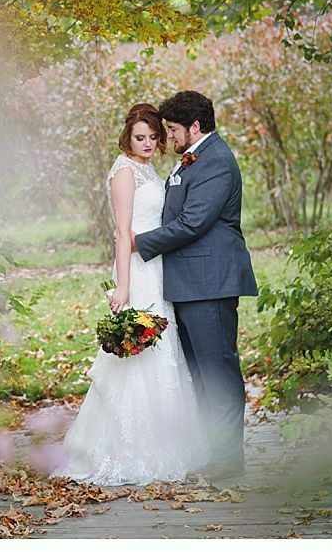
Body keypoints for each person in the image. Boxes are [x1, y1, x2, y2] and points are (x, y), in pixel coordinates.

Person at [49, 103, 207, 486]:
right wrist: (122, 286)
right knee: (139, 355)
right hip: (136, 270)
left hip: (158, 267)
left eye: (155, 136)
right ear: (127, 137)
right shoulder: (123, 172)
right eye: (141, 137)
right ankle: (126, 449)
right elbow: (122, 234)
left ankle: (167, 444)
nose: (149, 143)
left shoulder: (148, 169)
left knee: (163, 353)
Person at [130, 91, 258, 482]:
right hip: (188, 283)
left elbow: (193, 222)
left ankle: (228, 458)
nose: (169, 138)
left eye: (172, 130)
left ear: (195, 127)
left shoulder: (217, 160)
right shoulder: (196, 158)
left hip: (210, 283)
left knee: (217, 370)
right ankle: (214, 452)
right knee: (200, 374)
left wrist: (140, 242)